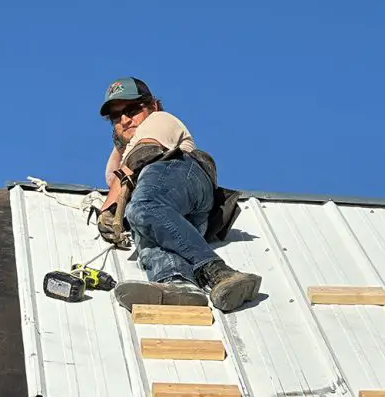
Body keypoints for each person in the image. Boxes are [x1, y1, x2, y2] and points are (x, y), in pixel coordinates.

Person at [96, 76, 262, 313]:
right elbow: (116, 180)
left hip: (182, 175)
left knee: (142, 207)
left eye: (132, 109)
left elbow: (142, 155)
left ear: (152, 105)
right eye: (116, 116)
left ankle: (218, 271)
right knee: (146, 228)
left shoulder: (159, 119)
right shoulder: (124, 151)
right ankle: (178, 284)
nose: (124, 119)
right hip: (179, 216)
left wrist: (109, 210)